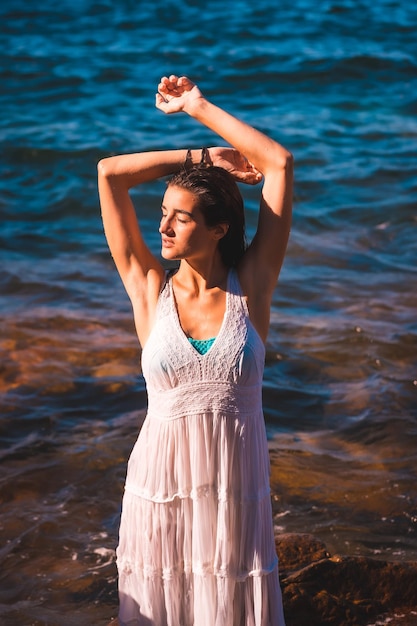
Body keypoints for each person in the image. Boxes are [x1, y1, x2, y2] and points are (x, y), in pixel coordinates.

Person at [98, 74, 293, 626]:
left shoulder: (251, 285)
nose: (162, 225)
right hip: (159, 490)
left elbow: (277, 163)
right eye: (163, 211)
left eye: (180, 217)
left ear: (218, 228)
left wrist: (199, 106)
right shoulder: (148, 287)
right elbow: (109, 174)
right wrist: (200, 154)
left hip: (236, 495)